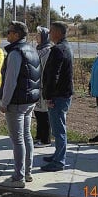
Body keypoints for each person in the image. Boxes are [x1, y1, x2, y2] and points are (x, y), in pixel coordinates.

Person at [0, 21, 41, 188]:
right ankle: (28, 172)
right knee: (26, 136)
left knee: (17, 140)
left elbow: (10, 82)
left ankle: (18, 178)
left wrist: (4, 102)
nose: (7, 35)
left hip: (16, 102)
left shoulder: (16, 53)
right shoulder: (32, 50)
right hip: (29, 100)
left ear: (16, 35)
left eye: (9, 32)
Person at [41, 21, 74, 172]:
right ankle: (57, 155)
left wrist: (48, 96)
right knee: (58, 127)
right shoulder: (66, 47)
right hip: (63, 94)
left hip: (58, 95)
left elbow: (54, 75)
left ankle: (59, 161)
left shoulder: (58, 50)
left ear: (59, 33)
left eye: (51, 31)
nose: (49, 34)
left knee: (59, 129)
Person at [33, 26, 52, 147]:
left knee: (44, 113)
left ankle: (46, 139)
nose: (36, 37)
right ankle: (39, 136)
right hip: (36, 85)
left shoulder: (48, 51)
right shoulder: (38, 49)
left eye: (38, 35)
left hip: (43, 86)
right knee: (38, 112)